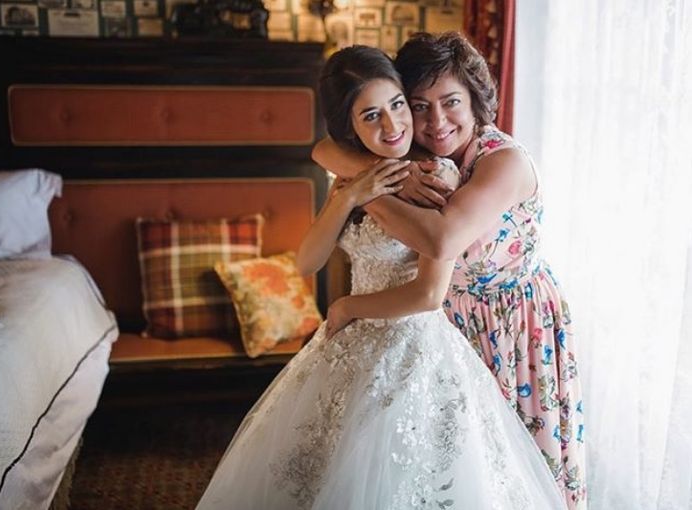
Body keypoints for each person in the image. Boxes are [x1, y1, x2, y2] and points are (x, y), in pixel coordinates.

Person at [196, 45, 565, 510]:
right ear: (350, 126)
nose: (396, 124)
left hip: (420, 338)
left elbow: (431, 287)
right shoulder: (362, 170)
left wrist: (346, 303)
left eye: (399, 106)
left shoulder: (437, 172)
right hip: (355, 345)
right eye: (376, 114)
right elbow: (306, 260)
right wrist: (350, 194)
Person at [313, 32, 587, 509]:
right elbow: (323, 149)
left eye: (451, 102)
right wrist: (383, 175)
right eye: (420, 106)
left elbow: (441, 240)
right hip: (446, 330)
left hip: (514, 328)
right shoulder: (419, 159)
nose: (437, 121)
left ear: (476, 99)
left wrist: (367, 190)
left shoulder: (503, 162)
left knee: (517, 477)